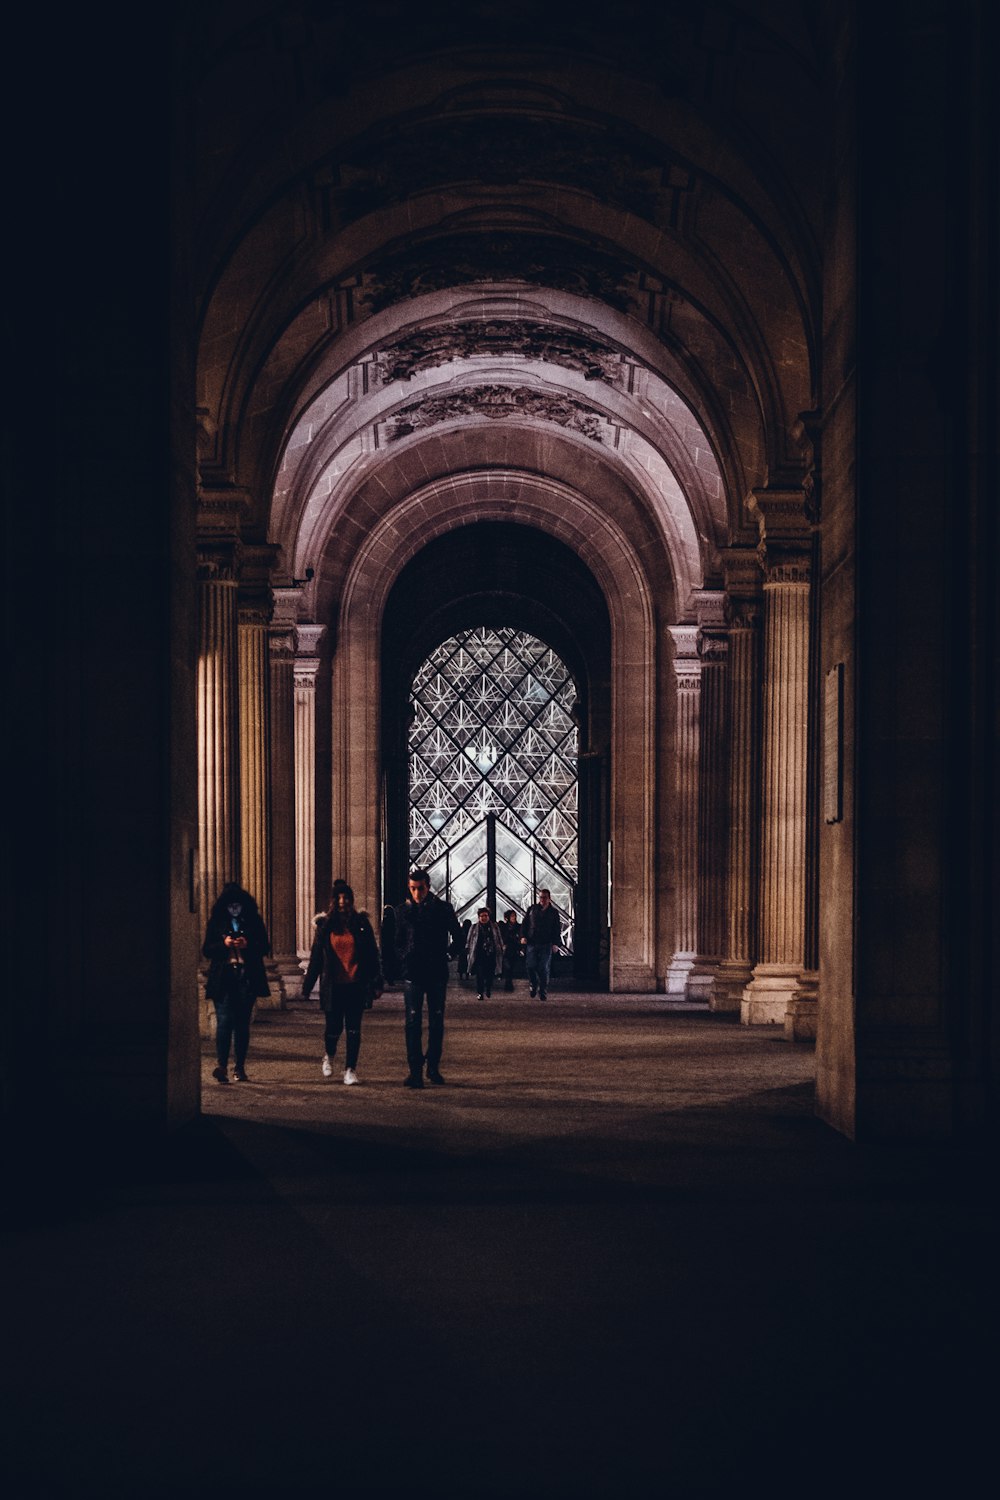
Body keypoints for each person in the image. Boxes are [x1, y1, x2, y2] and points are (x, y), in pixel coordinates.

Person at [302, 880, 383, 1085]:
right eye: (338, 898)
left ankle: (350, 1070)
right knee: (334, 1028)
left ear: (351, 900)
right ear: (333, 901)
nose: (342, 901)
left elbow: (372, 955)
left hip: (356, 984)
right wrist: (308, 985)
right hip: (334, 985)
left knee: (354, 1029)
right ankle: (329, 1055)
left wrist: (377, 981)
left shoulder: (361, 924)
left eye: (346, 897)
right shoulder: (325, 926)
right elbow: (316, 958)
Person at [394, 869, 463, 1087]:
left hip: (434, 972)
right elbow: (396, 941)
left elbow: (459, 937)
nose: (416, 893)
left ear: (428, 886)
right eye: (412, 888)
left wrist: (449, 954)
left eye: (420, 888)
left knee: (435, 1021)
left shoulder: (443, 909)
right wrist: (404, 957)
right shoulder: (402, 912)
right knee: (413, 1022)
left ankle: (432, 1067)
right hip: (414, 972)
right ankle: (415, 1070)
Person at [202, 882, 271, 1083]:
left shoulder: (254, 921)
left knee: (242, 1024)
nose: (234, 908)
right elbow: (207, 949)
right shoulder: (216, 922)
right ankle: (222, 1065)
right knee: (224, 1021)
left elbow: (264, 946)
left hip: (246, 976)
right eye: (231, 905)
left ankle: (239, 1067)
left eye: (237, 904)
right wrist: (224, 945)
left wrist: (247, 945)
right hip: (224, 977)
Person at [521, 888, 562, 1001]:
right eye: (541, 897)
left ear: (549, 899)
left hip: (546, 943)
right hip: (532, 942)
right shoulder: (532, 909)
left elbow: (556, 929)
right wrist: (523, 936)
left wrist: (556, 943)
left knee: (543, 967)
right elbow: (525, 924)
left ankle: (542, 990)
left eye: (544, 897)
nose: (542, 899)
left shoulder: (554, 913)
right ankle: (533, 984)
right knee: (530, 966)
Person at [466, 907, 504, 1000]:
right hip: (479, 954)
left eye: (486, 916)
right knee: (480, 974)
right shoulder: (474, 927)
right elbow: (469, 939)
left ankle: (488, 988)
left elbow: (499, 938)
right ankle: (480, 992)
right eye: (482, 916)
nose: (484, 918)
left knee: (490, 974)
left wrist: (501, 948)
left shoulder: (494, 926)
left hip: (491, 954)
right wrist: (468, 949)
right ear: (478, 917)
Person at [500, 909, 521, 991]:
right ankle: (508, 983)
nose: (514, 917)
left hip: (514, 949)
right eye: (512, 916)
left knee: (510, 967)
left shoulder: (518, 927)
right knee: (508, 967)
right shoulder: (504, 927)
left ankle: (508, 983)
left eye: (515, 916)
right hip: (507, 950)